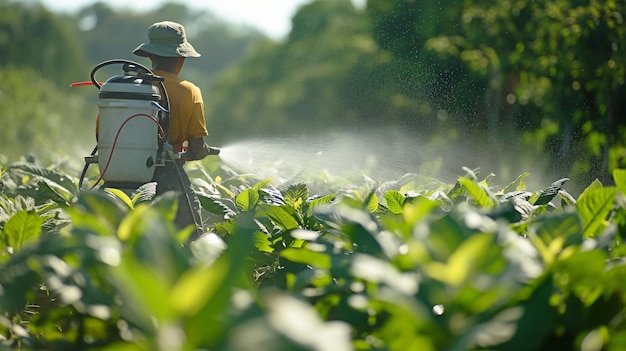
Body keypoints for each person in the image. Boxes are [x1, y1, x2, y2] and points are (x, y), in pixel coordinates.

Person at [132, 21, 212, 239]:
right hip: (168, 176)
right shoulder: (189, 92)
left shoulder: (127, 87)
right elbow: (196, 147)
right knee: (193, 240)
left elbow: (102, 135)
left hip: (121, 173)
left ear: (150, 56)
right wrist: (201, 150)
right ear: (180, 58)